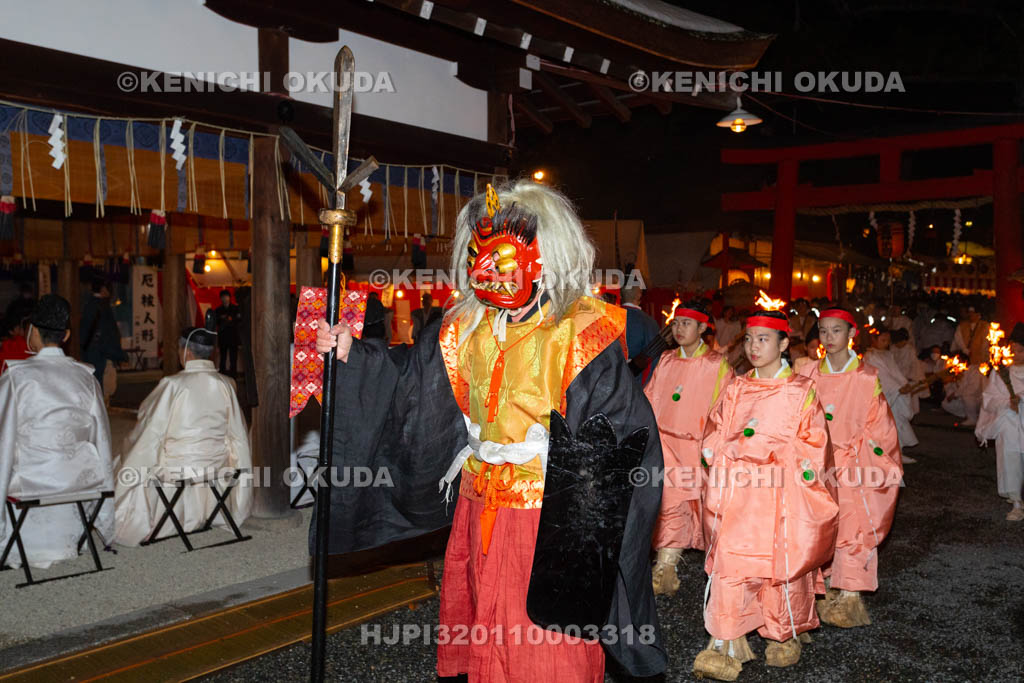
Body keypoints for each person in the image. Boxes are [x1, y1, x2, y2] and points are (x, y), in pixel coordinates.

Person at [315, 181, 666, 681]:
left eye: (500, 257)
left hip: (553, 521)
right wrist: (355, 354)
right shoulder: (463, 329)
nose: (486, 269)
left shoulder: (582, 331)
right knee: (487, 638)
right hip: (478, 506)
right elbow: (411, 387)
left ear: (544, 255)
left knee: (549, 649)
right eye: (479, 253)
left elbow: (620, 441)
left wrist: (587, 529)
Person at [693, 308, 837, 679]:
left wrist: (784, 464)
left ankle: (782, 632)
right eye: (749, 339)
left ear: (784, 343)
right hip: (739, 494)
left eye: (764, 339)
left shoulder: (801, 391)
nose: (754, 347)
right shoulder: (737, 387)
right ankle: (725, 640)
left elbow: (814, 446)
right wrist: (718, 455)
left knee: (779, 564)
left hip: (779, 496)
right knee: (732, 562)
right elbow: (715, 431)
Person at [799, 308, 903, 628]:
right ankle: (825, 585)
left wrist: (865, 458)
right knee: (820, 525)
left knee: (854, 526)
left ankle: (850, 595)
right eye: (824, 331)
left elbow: (880, 426)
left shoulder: (866, 377)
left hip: (853, 463)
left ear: (851, 334)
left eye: (836, 331)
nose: (829, 338)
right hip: (817, 462)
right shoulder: (808, 374)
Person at [0, 295, 115, 568]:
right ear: (66, 335)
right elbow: (102, 439)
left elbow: (4, 441)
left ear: (33, 332)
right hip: (77, 481)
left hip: (33, 481)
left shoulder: (16, 377)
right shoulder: (86, 377)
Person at [113, 327, 252, 546]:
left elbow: (150, 431)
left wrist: (130, 451)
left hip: (176, 470)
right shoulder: (227, 384)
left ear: (186, 353)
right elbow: (238, 434)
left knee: (127, 458)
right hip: (215, 466)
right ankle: (211, 511)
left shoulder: (172, 385)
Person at [644, 300, 733, 595]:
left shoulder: (716, 365)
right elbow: (651, 397)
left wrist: (713, 447)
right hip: (665, 443)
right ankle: (665, 567)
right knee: (669, 503)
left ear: (702, 327)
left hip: (697, 447)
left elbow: (725, 408)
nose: (679, 329)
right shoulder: (667, 359)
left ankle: (674, 566)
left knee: (697, 508)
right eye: (676, 323)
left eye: (686, 323)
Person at [975, 323, 1024, 521]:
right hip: (1009, 423)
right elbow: (989, 398)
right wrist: (1007, 402)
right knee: (1010, 458)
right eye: (1014, 350)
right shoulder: (1000, 373)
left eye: (1021, 350)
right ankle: (1016, 502)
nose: (1017, 354)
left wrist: (1021, 398)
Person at [863, 329, 919, 461]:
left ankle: (898, 452)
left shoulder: (888, 354)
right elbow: (880, 375)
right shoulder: (871, 356)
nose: (886, 343)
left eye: (888, 340)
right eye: (883, 340)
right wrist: (897, 388)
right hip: (884, 393)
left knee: (897, 422)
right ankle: (886, 454)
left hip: (895, 392)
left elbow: (895, 372)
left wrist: (904, 383)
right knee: (886, 424)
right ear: (874, 340)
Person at [80, 279, 127, 389]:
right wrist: (119, 354)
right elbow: (110, 332)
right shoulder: (104, 307)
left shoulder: (87, 305)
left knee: (92, 382)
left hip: (88, 350)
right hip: (102, 351)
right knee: (102, 384)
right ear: (103, 289)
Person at [950, 305, 988, 426]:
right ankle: (968, 413)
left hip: (979, 363)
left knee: (974, 391)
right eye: (969, 313)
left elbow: (986, 344)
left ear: (979, 315)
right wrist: (964, 350)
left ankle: (975, 417)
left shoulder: (985, 326)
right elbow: (958, 339)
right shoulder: (962, 326)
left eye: (973, 313)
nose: (971, 315)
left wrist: (984, 358)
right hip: (966, 361)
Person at [621, 281, 661, 380]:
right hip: (638, 385)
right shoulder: (649, 323)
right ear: (639, 295)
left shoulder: (607, 318)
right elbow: (655, 360)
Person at [213, 289, 241, 376]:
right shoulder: (218, 310)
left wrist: (230, 319)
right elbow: (215, 323)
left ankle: (233, 375)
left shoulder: (235, 308)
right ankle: (222, 375)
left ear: (229, 297)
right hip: (223, 337)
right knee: (223, 358)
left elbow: (239, 321)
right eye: (223, 297)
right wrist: (222, 318)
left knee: (233, 358)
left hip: (233, 337)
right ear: (220, 298)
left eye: (226, 296)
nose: (225, 298)